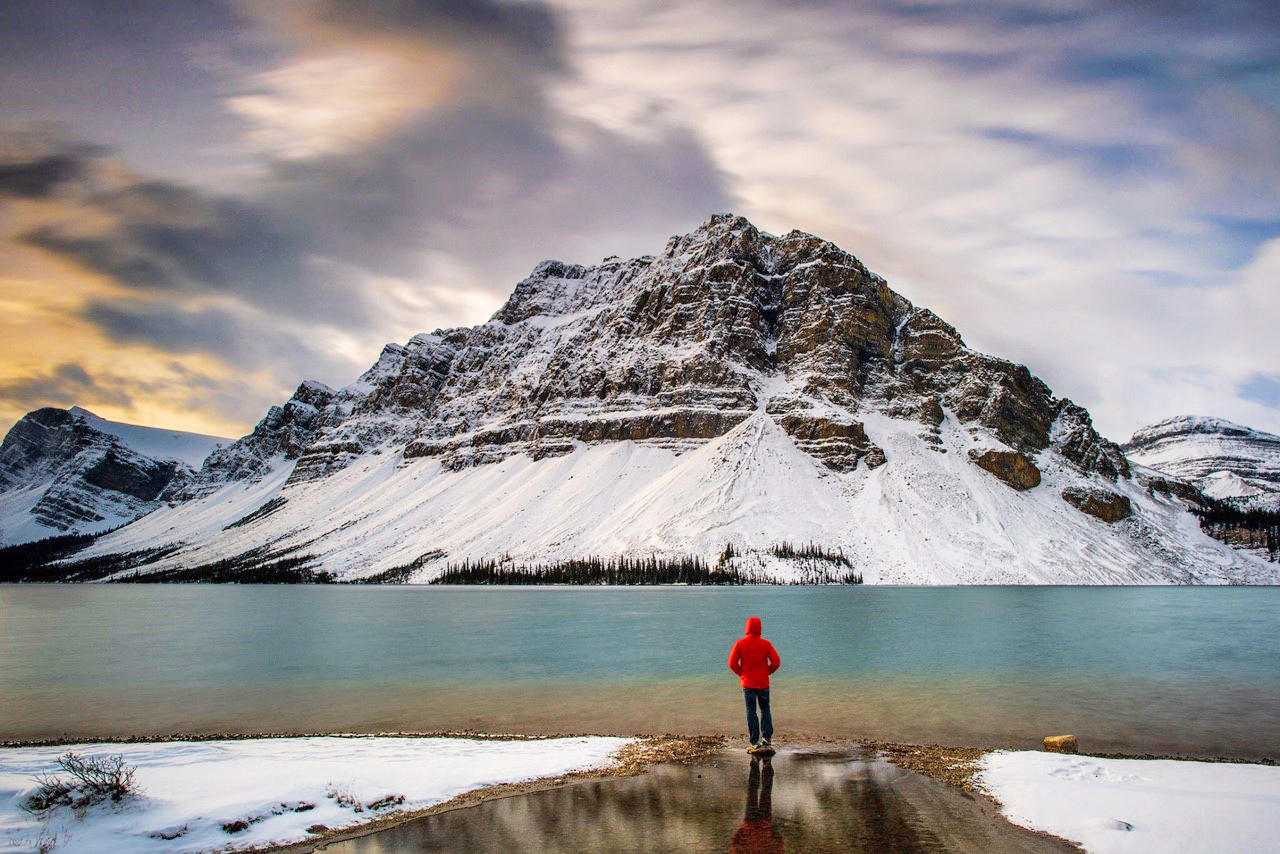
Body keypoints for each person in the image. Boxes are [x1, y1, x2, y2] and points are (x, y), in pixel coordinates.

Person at [728, 615, 781, 752]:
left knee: (751, 712)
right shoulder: (766, 644)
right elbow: (776, 662)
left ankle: (755, 741)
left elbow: (732, 664)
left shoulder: (740, 644)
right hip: (763, 683)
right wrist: (767, 672)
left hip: (748, 684)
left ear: (747, 628)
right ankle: (767, 738)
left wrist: (742, 674)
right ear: (760, 629)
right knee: (765, 709)